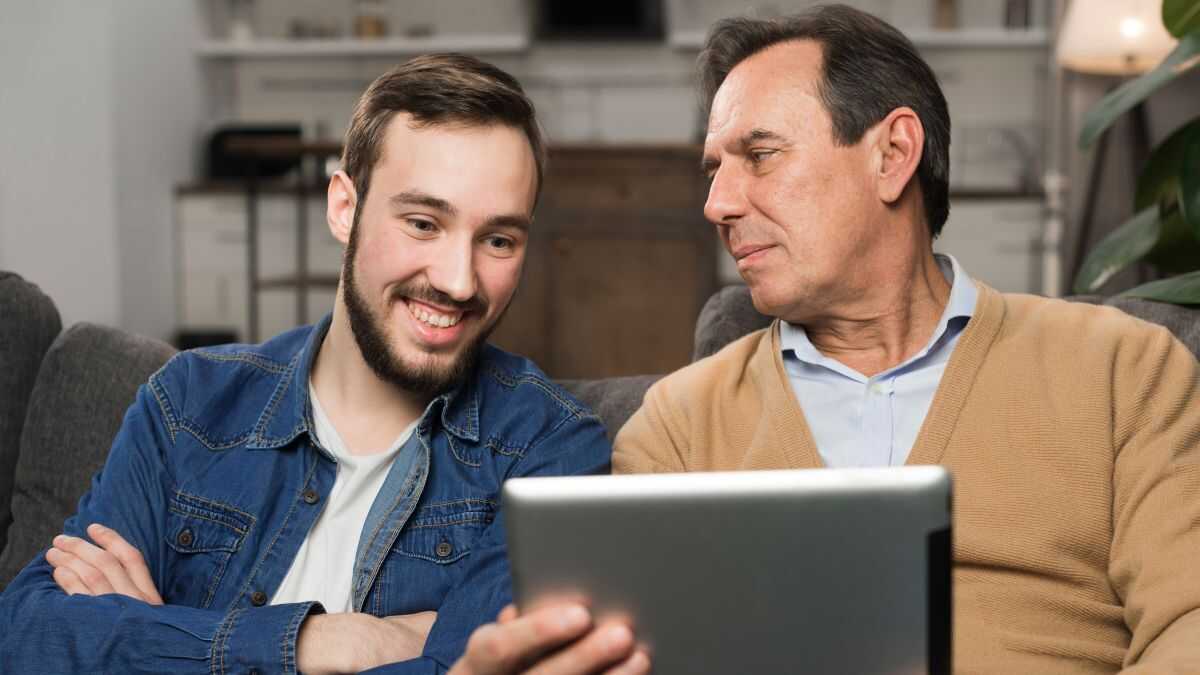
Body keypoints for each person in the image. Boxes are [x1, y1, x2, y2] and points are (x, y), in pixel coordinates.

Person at [452, 5, 1200, 673]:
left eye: (761, 154)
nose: (717, 202)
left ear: (892, 154)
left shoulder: (1121, 367)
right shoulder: (677, 428)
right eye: (713, 169)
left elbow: (1189, 624)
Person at [0, 53, 617, 674]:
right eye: (423, 223)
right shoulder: (190, 402)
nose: (459, 282)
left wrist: (152, 638)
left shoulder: (552, 449)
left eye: (499, 240)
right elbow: (28, 638)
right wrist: (325, 642)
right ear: (344, 208)